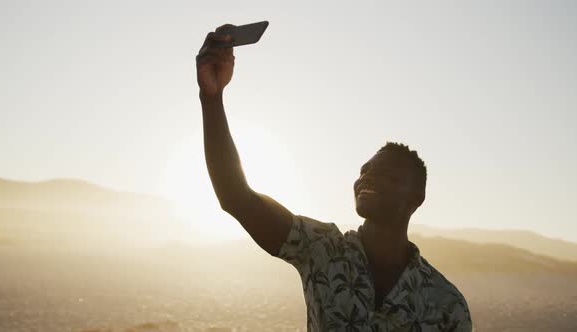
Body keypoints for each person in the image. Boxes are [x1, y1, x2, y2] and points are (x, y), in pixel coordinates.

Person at [196, 23, 472, 332]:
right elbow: (236, 196)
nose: (369, 179)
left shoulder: (447, 305)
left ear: (417, 198)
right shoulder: (320, 248)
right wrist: (212, 97)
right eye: (365, 171)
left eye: (388, 175)